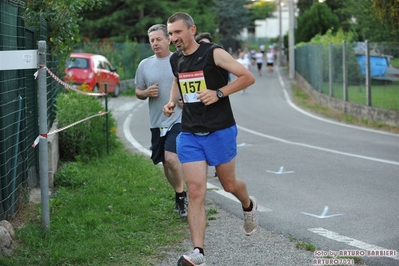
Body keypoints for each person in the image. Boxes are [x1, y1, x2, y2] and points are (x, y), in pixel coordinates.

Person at [163, 12, 258, 266]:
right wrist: (172, 101)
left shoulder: (213, 53)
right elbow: (177, 80)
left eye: (178, 32)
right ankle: (198, 253)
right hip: (190, 132)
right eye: (170, 34)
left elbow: (247, 77)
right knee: (195, 191)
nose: (173, 38)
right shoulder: (175, 59)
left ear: (192, 30)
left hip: (220, 130)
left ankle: (248, 205)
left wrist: (218, 93)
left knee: (228, 185)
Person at [134, 24, 188, 218]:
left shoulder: (180, 60)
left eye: (158, 39)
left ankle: (182, 198)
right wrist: (146, 92)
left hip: (178, 118)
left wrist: (185, 101)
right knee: (165, 162)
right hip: (157, 121)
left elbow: (193, 86)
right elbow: (138, 91)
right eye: (152, 41)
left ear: (168, 39)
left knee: (172, 158)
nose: (155, 43)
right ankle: (179, 193)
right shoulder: (144, 65)